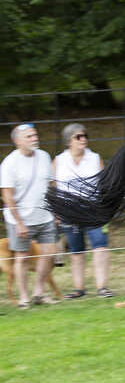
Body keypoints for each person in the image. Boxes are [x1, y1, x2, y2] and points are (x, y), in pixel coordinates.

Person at [0, 123, 58, 309]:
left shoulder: (44, 156)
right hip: (20, 219)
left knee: (50, 254)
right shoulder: (9, 163)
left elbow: (51, 186)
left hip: (45, 216)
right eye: (29, 137)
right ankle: (24, 298)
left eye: (35, 135)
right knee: (22, 257)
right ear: (18, 141)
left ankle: (39, 292)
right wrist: (19, 223)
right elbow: (7, 196)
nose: (35, 138)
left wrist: (57, 211)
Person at [53, 123, 114, 299]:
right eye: (78, 137)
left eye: (85, 136)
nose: (83, 139)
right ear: (68, 141)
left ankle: (103, 287)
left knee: (100, 246)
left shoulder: (95, 158)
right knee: (76, 251)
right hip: (69, 211)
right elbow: (54, 187)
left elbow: (104, 185)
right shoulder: (59, 160)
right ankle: (79, 289)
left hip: (93, 209)